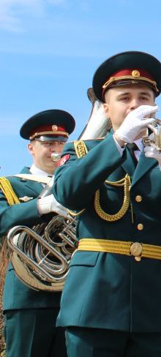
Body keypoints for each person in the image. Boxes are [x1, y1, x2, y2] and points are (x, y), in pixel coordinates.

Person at [52, 51, 161, 356]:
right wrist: (117, 141)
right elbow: (67, 194)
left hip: (159, 306)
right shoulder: (82, 151)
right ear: (106, 107)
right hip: (95, 302)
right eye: (124, 97)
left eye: (144, 97)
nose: (135, 105)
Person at [0, 110, 74, 357]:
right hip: (28, 294)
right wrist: (40, 206)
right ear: (31, 148)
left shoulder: (78, 186)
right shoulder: (10, 184)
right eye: (48, 143)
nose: (56, 149)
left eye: (61, 143)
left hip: (75, 293)